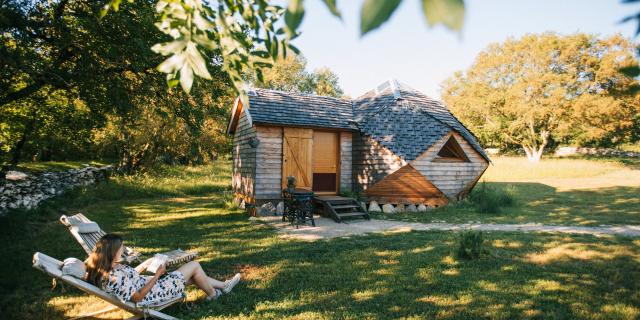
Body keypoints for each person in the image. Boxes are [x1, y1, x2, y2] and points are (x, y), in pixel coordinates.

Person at [84, 233, 240, 306]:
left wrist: (145, 264)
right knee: (194, 266)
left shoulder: (111, 267)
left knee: (194, 276)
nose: (123, 249)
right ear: (112, 251)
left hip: (150, 286)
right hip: (154, 294)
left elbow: (131, 278)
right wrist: (157, 275)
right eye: (121, 247)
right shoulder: (114, 276)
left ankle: (223, 286)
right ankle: (214, 294)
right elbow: (137, 297)